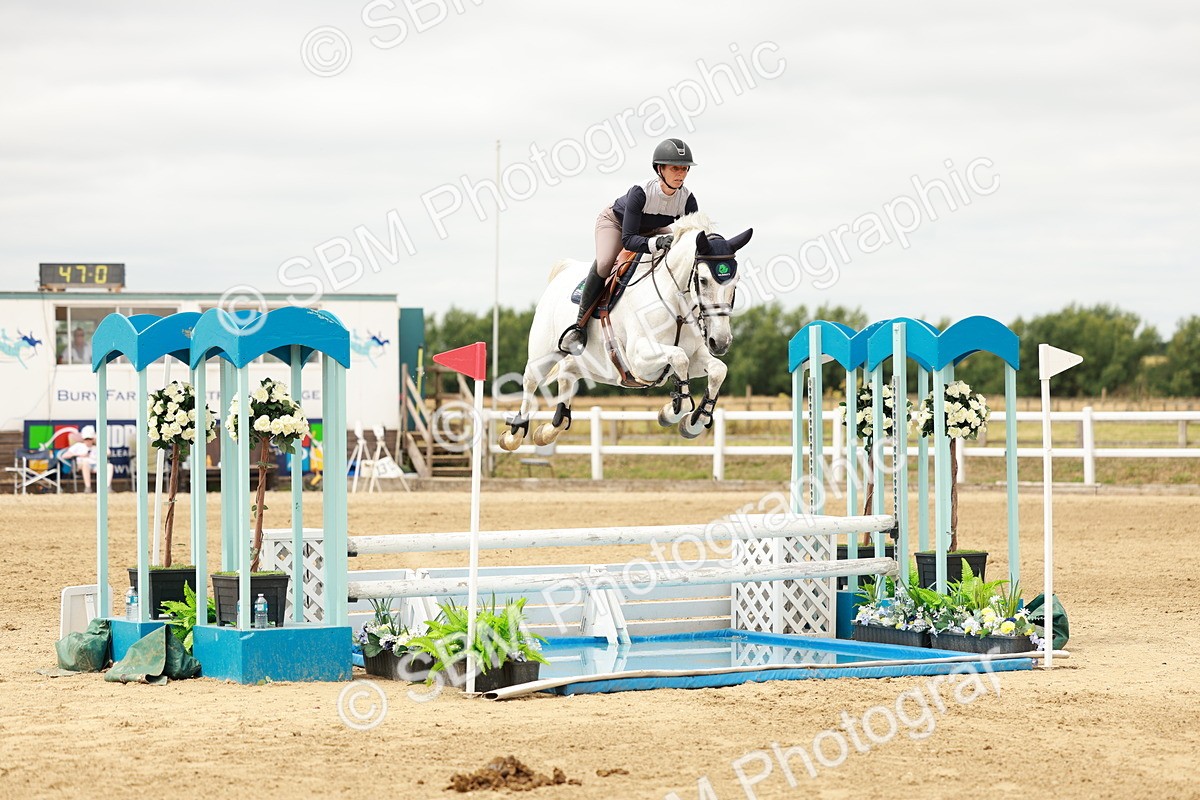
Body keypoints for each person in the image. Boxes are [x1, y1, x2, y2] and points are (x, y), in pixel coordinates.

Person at [558, 138, 699, 355]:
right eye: (674, 168)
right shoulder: (640, 193)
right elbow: (629, 239)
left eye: (684, 169)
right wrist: (656, 243)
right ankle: (580, 325)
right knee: (605, 263)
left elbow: (691, 238)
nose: (680, 173)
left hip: (653, 229)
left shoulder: (688, 200)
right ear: (660, 169)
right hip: (617, 224)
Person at [62, 425, 100, 492]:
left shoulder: (97, 447)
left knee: (109, 466)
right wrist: (80, 455)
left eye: (90, 439)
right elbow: (64, 455)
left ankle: (107, 488)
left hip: (96, 466)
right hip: (82, 466)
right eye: (86, 439)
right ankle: (88, 488)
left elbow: (108, 453)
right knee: (85, 463)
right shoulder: (78, 445)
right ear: (83, 439)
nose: (88, 441)